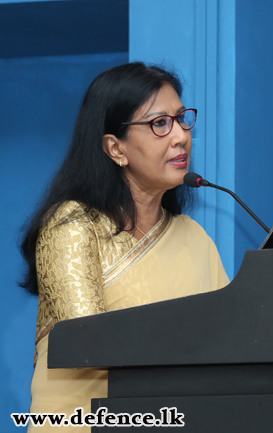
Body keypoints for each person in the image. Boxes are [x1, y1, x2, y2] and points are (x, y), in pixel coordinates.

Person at [19, 62, 229, 431]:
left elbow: (232, 340)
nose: (180, 136)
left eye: (182, 119)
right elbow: (90, 345)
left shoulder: (194, 237)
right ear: (115, 148)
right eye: (159, 124)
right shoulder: (72, 226)